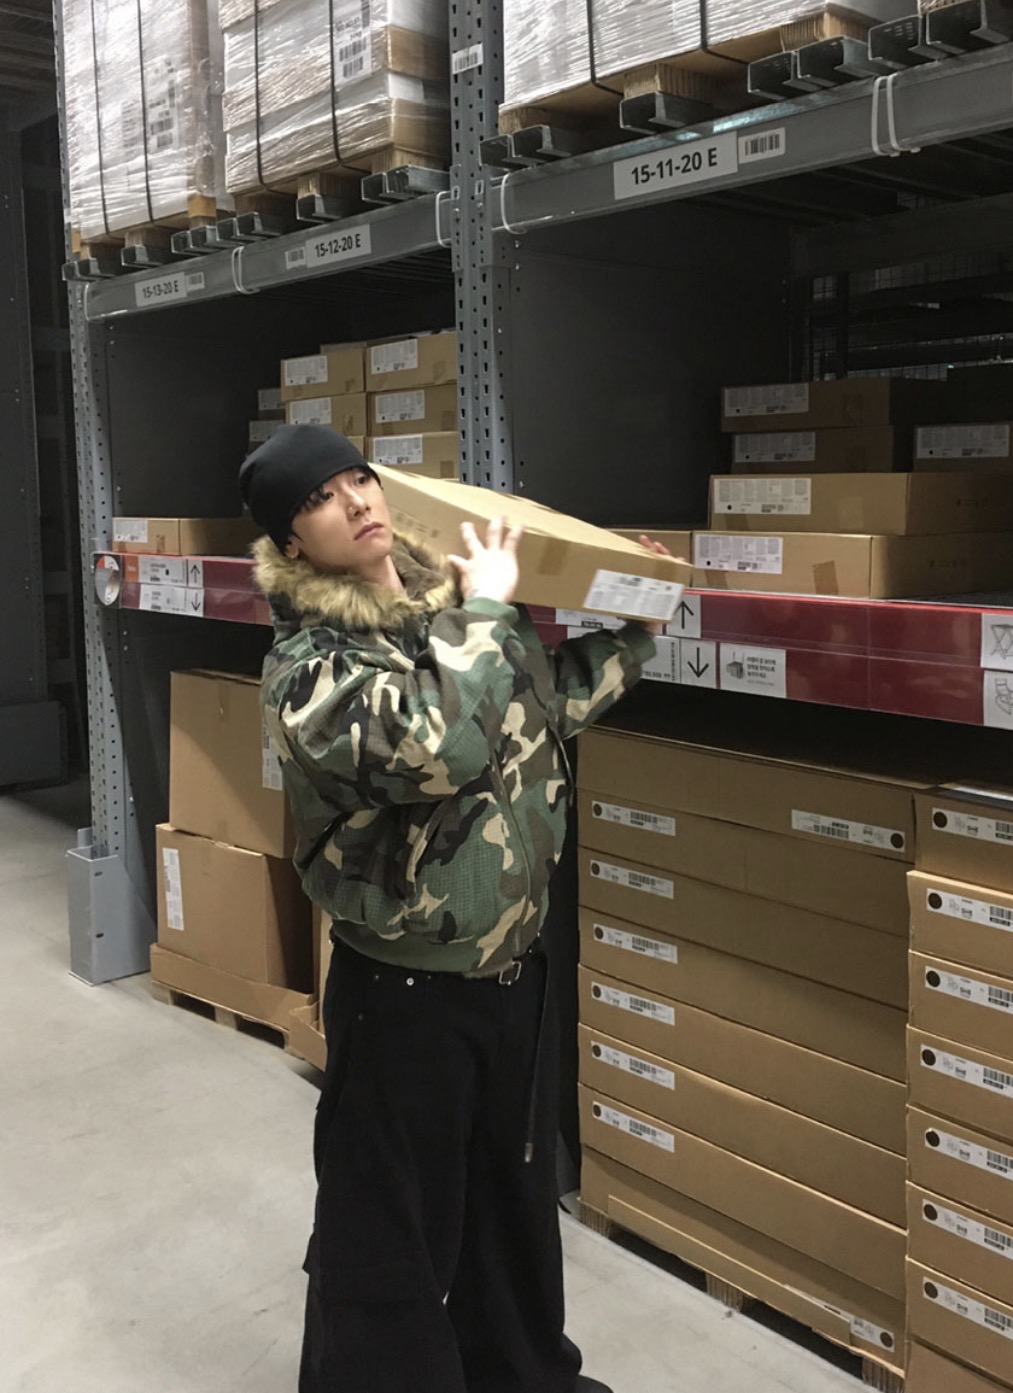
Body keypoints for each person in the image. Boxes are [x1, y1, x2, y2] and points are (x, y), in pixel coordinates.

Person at [239, 424, 660, 1393]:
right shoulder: (309, 669)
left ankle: (518, 1375)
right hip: (406, 991)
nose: (354, 499)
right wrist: (485, 610)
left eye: (357, 476)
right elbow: (439, 746)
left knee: (509, 1208)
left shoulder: (449, 607)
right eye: (319, 497)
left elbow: (537, 705)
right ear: (291, 541)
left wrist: (640, 623)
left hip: (511, 968)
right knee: (385, 1236)